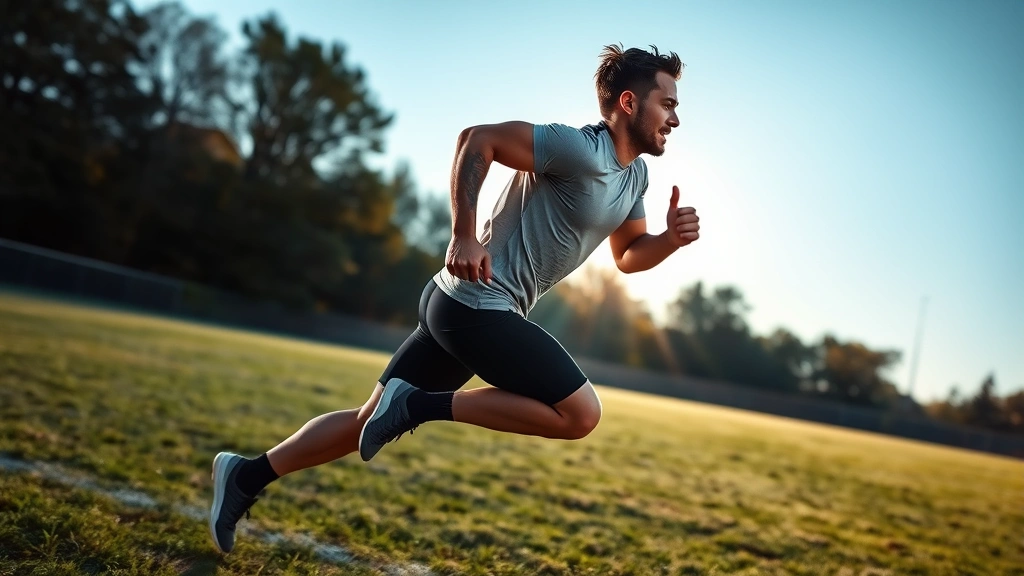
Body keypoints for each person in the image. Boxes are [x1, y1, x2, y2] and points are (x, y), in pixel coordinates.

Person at [209, 44, 700, 554]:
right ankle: (417, 406)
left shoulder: (635, 177)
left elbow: (627, 255)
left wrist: (668, 240)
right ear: (628, 102)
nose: (675, 118)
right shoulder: (577, 149)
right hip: (476, 303)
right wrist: (464, 234)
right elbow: (477, 139)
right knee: (581, 415)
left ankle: (246, 475)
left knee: (365, 423)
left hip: (461, 308)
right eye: (667, 104)